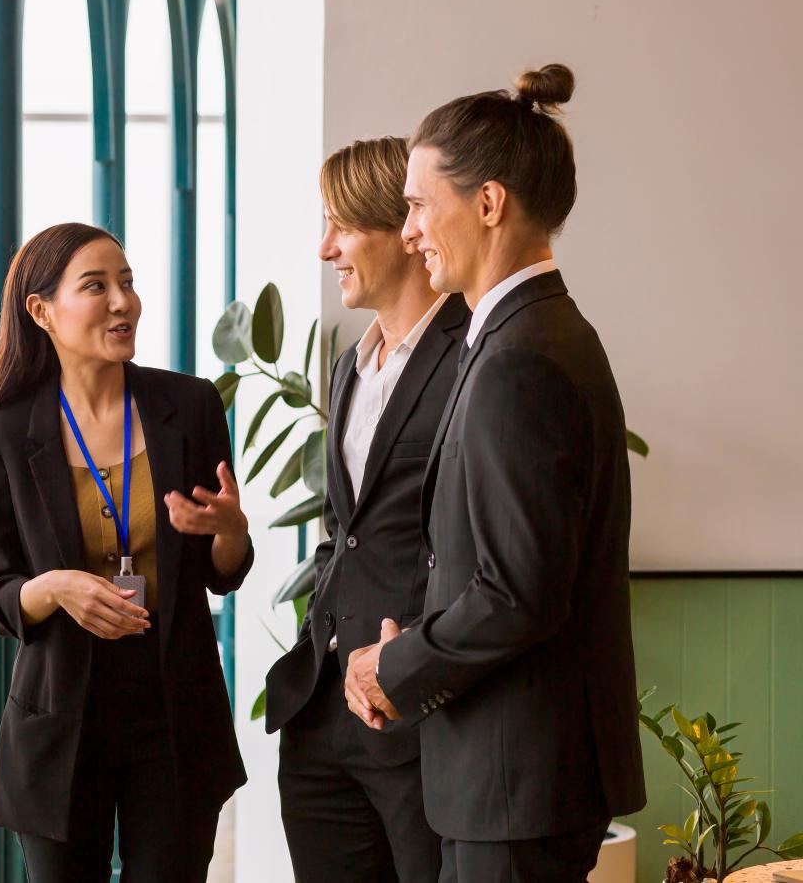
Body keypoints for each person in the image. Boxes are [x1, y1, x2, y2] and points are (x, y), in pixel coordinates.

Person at [344, 64, 646, 881]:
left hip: (518, 780)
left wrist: (395, 667)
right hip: (515, 778)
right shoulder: (530, 335)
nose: (407, 231)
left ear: (487, 204)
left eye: (416, 205)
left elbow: (520, 592)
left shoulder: (522, 359)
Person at [0, 222, 254, 882]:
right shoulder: (6, 432)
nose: (122, 301)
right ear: (42, 311)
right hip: (60, 725)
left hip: (175, 714)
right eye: (96, 286)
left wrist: (231, 533)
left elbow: (221, 574)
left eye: (126, 282)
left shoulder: (190, 405)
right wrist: (56, 588)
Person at [265, 137, 468, 881]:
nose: (327, 249)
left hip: (416, 715)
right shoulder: (353, 361)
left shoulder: (472, 357)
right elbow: (343, 535)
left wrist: (410, 663)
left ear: (404, 232)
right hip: (321, 715)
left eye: (341, 226)